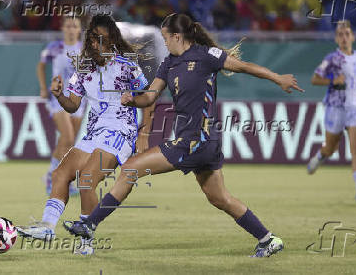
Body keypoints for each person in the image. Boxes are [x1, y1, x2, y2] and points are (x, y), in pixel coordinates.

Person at [63, 13, 304, 258]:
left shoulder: (206, 56)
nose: (164, 43)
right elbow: (150, 96)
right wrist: (133, 100)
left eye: (166, 38)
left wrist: (278, 78)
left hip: (195, 141)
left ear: (177, 36)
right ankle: (268, 239)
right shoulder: (169, 63)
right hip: (199, 144)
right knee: (219, 198)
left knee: (131, 168)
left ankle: (89, 224)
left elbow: (244, 67)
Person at [17, 15, 153, 255]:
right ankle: (47, 227)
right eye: (91, 38)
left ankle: (86, 243)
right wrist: (59, 96)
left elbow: (149, 98)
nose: (93, 44)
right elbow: (72, 105)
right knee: (60, 173)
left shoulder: (127, 65)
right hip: (94, 132)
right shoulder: (84, 68)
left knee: (87, 179)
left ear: (111, 40)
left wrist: (142, 126)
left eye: (99, 39)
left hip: (120, 130)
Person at [307, 20, 356, 203]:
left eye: (347, 34)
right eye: (340, 34)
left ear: (353, 37)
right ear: (336, 39)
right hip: (336, 107)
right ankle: (321, 155)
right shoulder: (332, 59)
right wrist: (332, 80)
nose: (344, 37)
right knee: (331, 148)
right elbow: (314, 79)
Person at [37, 16, 85, 196]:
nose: (71, 29)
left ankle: (56, 176)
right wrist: (43, 87)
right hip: (58, 98)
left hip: (78, 100)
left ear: (79, 30)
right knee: (67, 137)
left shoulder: (84, 50)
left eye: (75, 26)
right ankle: (54, 178)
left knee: (68, 142)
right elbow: (41, 66)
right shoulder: (54, 47)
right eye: (68, 26)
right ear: (63, 29)